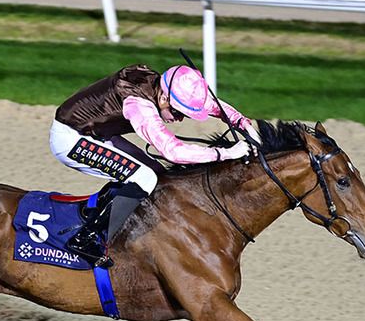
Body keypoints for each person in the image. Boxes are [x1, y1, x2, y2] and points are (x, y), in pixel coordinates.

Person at [50, 63, 257, 267]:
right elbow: (172, 151)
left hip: (96, 133)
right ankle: (86, 238)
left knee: (157, 171)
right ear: (164, 97)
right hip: (71, 139)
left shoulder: (161, 86)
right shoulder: (139, 105)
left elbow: (212, 104)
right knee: (144, 177)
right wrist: (226, 153)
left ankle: (104, 213)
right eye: (178, 112)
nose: (180, 119)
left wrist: (243, 123)